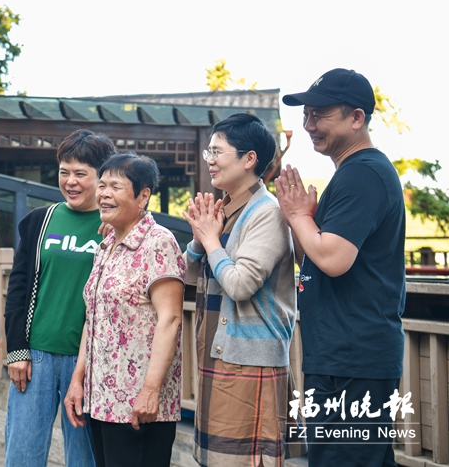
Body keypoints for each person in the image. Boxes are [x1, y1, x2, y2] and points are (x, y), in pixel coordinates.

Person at [275, 68, 406, 467]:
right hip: (343, 355)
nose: (310, 125)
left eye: (321, 115)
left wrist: (298, 215)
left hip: (353, 359)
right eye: (307, 115)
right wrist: (305, 223)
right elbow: (314, 256)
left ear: (357, 118)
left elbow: (332, 259)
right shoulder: (353, 173)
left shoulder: (363, 174)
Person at [182, 113, 303, 466]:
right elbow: (188, 275)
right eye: (209, 152)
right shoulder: (226, 209)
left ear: (249, 159)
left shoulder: (267, 211)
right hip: (225, 357)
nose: (211, 160)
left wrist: (209, 239)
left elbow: (239, 284)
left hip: (250, 363)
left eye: (218, 152)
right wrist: (198, 240)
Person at [3, 129, 116, 467]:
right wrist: (16, 351)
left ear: (103, 177)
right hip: (34, 358)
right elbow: (18, 290)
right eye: (64, 172)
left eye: (81, 173)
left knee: (84, 459)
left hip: (89, 363)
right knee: (22, 455)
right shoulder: (40, 221)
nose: (71, 181)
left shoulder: (114, 225)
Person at [64, 152, 184, 467]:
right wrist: (78, 380)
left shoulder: (158, 243)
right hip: (101, 400)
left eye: (115, 187)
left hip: (138, 405)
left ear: (143, 195)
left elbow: (170, 319)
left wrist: (150, 390)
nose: (104, 194)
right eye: (102, 185)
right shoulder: (105, 247)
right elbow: (93, 318)